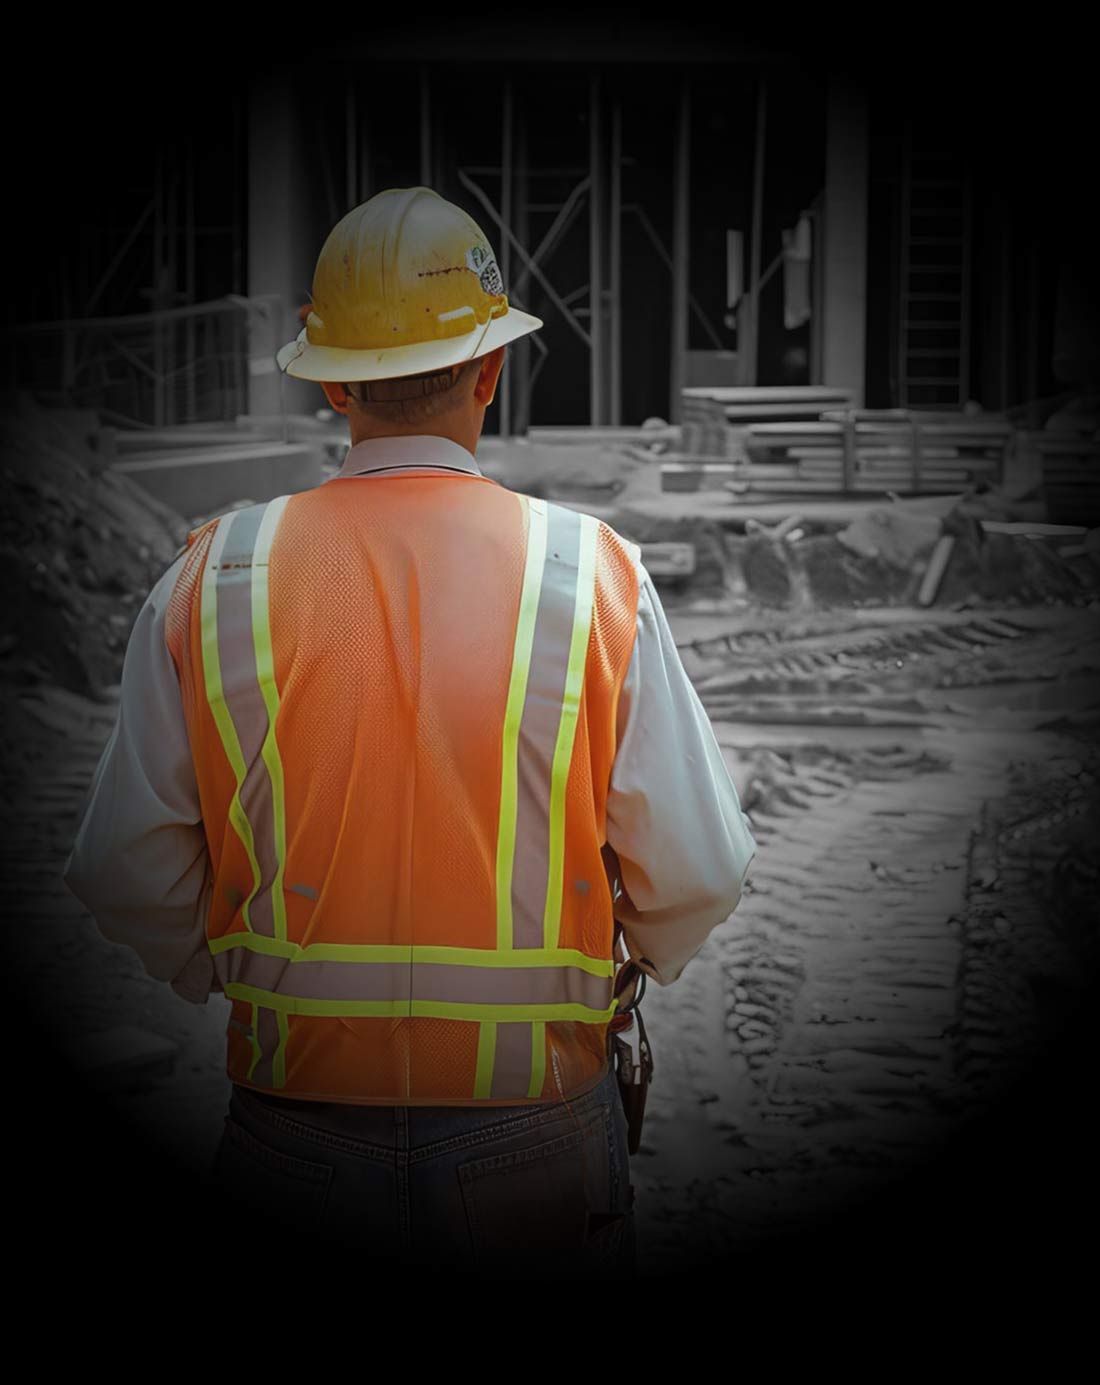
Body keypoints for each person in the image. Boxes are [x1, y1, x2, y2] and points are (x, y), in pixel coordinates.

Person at [64, 186, 756, 1276]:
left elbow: (122, 869)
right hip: (532, 1129)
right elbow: (699, 869)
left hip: (289, 1126)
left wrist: (230, 973)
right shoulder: (589, 575)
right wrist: (630, 957)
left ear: (331, 379)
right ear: (491, 370)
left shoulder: (215, 577)